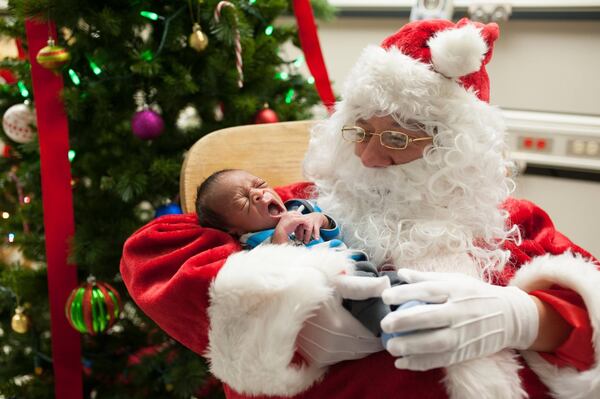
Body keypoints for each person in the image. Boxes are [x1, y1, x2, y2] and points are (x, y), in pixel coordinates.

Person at [120, 18, 600, 399]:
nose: (368, 157)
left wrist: (525, 318)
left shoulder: (512, 223)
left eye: (396, 138)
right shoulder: (301, 201)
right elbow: (154, 256)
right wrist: (284, 304)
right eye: (360, 131)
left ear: (456, 151)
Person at [195, 168, 399, 338]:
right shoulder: (253, 245)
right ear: (233, 229)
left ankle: (414, 304)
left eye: (259, 185)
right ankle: (391, 330)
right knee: (366, 299)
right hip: (333, 285)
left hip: (357, 262)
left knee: (395, 281)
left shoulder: (300, 208)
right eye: (244, 201)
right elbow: (274, 271)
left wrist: (319, 219)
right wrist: (281, 233)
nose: (259, 194)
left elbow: (337, 231)